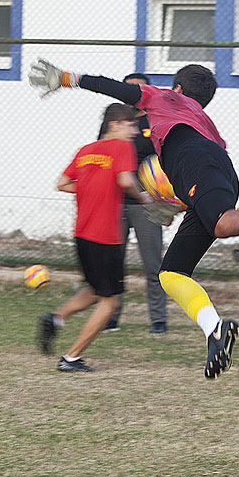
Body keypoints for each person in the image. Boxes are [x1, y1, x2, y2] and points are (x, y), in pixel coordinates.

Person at [29, 59, 239, 379]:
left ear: (176, 87)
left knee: (224, 224)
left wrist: (67, 78)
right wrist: (178, 203)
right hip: (209, 174)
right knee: (171, 274)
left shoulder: (165, 97)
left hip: (198, 164)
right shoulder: (203, 120)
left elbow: (119, 89)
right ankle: (215, 330)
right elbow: (197, 168)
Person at [40, 103, 149, 372]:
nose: (135, 131)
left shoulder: (86, 150)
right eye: (130, 125)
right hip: (105, 236)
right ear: (114, 125)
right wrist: (145, 197)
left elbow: (63, 184)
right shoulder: (122, 148)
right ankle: (71, 358)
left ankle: (55, 318)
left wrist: (91, 188)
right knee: (111, 301)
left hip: (82, 234)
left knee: (95, 290)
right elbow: (125, 181)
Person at [102, 73, 168, 336]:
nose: (129, 94)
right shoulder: (113, 123)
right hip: (116, 203)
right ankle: (110, 317)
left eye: (136, 89)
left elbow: (166, 161)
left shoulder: (155, 121)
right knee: (113, 263)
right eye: (125, 89)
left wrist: (166, 203)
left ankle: (159, 321)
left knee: (153, 265)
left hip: (146, 205)